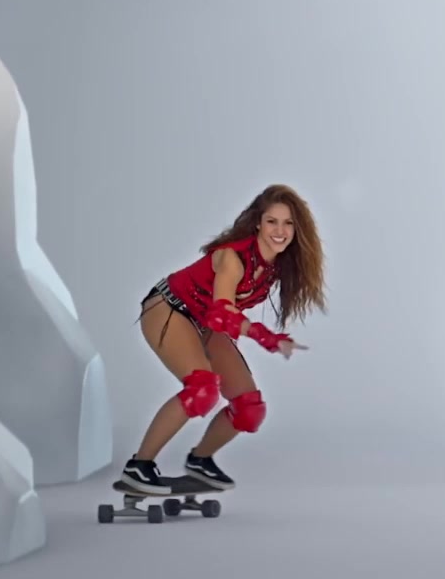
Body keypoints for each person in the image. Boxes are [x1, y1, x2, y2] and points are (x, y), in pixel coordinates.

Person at [119, 184, 327, 494]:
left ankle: (200, 460)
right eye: (272, 221)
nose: (280, 231)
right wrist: (266, 337)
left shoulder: (274, 267)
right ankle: (139, 466)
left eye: (288, 223)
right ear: (258, 223)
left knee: (249, 409)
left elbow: (220, 319)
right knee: (202, 390)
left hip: (205, 322)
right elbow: (221, 315)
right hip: (170, 308)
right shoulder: (233, 257)